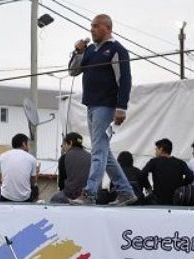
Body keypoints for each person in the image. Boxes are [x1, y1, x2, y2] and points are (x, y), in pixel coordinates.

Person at [68, 13, 137, 206]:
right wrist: (78, 52)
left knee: (98, 151)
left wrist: (121, 107)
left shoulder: (117, 50)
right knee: (104, 153)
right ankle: (126, 192)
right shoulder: (90, 50)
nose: (92, 29)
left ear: (108, 27)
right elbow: (73, 71)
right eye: (91, 26)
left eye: (96, 26)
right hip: (91, 105)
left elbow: (125, 80)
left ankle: (90, 194)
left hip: (106, 106)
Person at [139, 138, 194, 205]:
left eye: (156, 149)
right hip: (176, 199)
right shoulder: (180, 163)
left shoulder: (154, 161)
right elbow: (190, 176)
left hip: (158, 200)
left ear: (161, 149)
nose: (155, 152)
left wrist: (148, 187)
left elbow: (142, 175)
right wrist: (181, 186)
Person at [0, 133, 38, 202]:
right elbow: (33, 182)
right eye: (28, 144)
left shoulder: (2, 156)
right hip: (24, 198)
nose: (29, 147)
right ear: (24, 144)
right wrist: (37, 172)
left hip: (5, 196)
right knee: (35, 190)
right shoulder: (31, 159)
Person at [55, 132, 91, 202]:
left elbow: (61, 183)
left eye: (63, 144)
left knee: (55, 198)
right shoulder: (91, 157)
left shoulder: (64, 157)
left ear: (70, 143)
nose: (63, 148)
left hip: (71, 196)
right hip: (88, 196)